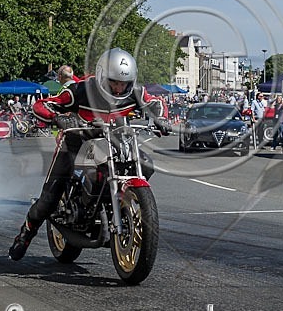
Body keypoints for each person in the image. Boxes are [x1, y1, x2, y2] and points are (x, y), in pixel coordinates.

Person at [9, 48, 171, 261]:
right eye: (115, 82)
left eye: (125, 83)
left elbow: (156, 103)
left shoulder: (136, 92)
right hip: (77, 140)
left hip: (115, 141)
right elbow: (43, 105)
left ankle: (122, 201)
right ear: (103, 76)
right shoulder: (80, 90)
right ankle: (25, 235)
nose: (120, 88)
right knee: (50, 198)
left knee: (146, 164)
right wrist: (59, 119)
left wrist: (161, 119)